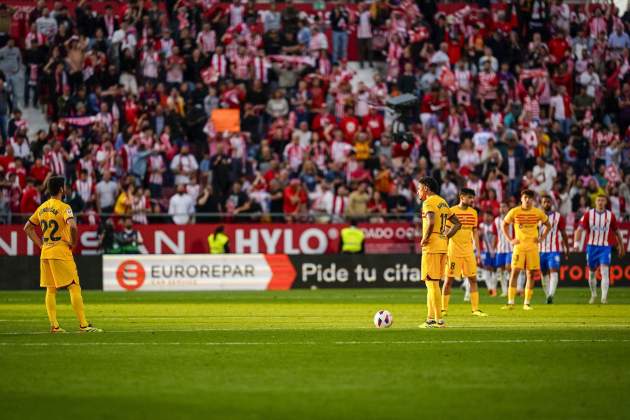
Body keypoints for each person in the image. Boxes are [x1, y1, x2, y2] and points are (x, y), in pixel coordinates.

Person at [22, 176, 102, 333]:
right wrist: (73, 242)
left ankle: (54, 325)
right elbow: (72, 226)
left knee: (51, 290)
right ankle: (84, 325)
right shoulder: (65, 207)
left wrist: (41, 245)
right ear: (60, 189)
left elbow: (27, 228)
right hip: (61, 251)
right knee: (73, 286)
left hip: (46, 253)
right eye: (64, 186)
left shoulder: (42, 207)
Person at [417, 177, 461, 328]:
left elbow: (430, 221)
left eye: (419, 188)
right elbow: (457, 224)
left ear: (426, 188)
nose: (418, 191)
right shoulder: (443, 202)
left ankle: (438, 320)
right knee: (433, 283)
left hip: (432, 247)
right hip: (442, 246)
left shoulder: (428, 203)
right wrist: (446, 236)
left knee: (432, 284)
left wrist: (425, 238)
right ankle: (430, 319)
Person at [501, 190, 551, 310]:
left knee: (531, 274)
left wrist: (542, 237)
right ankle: (510, 302)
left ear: (533, 200)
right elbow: (504, 224)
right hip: (519, 247)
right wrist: (510, 240)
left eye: (530, 198)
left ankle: (526, 303)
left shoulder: (537, 212)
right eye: (525, 197)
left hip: (533, 247)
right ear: (521, 198)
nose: (528, 200)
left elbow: (548, 225)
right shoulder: (514, 211)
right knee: (514, 272)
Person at [442, 189, 487, 317]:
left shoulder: (473, 213)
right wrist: (444, 251)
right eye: (469, 197)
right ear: (461, 197)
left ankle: (475, 309)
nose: (472, 200)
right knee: (449, 280)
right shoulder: (452, 211)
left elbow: (475, 233)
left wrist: (478, 252)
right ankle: (443, 309)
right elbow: (445, 232)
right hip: (453, 251)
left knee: (473, 279)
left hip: (468, 252)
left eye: (473, 197)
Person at [573, 195, 625, 304]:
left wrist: (621, 246)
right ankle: (593, 295)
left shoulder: (610, 215)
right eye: (598, 200)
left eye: (602, 200)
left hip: (605, 247)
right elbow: (579, 230)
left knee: (605, 272)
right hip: (592, 247)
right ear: (595, 202)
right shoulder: (588, 214)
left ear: (605, 202)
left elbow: (617, 232)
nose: (600, 202)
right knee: (592, 273)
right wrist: (576, 244)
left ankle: (604, 298)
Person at [539, 194, 569, 304]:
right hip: (540, 250)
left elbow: (564, 234)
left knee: (554, 271)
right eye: (544, 202)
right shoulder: (536, 216)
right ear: (541, 204)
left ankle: (551, 294)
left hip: (554, 250)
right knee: (544, 274)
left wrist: (567, 248)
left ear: (551, 203)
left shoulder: (558, 217)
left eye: (548, 201)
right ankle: (548, 297)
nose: (547, 203)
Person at [494, 202, 514, 297]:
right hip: (500, 249)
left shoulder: (512, 219)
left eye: (504, 206)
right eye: (501, 207)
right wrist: (494, 248)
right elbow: (495, 235)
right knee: (500, 270)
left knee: (508, 268)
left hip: (510, 248)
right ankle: (504, 291)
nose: (502, 208)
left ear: (508, 208)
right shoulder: (496, 220)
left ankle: (512, 288)